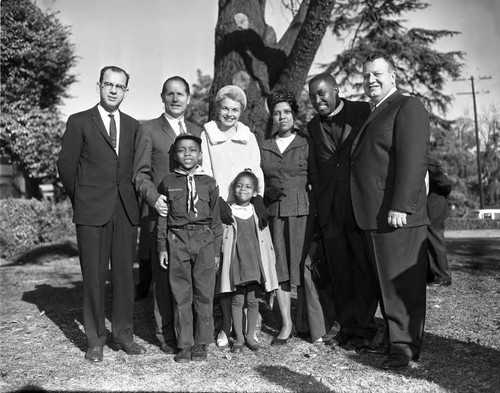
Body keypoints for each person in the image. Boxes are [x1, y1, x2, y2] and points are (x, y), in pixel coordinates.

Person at [57, 66, 146, 362]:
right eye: (108, 84)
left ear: (126, 91)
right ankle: (95, 339)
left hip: (125, 209)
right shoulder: (80, 121)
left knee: (123, 277)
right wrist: (82, 198)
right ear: (98, 85)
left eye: (119, 86)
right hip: (91, 210)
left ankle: (123, 334)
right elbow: (67, 168)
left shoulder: (134, 126)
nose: (113, 90)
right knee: (94, 276)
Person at [351, 50, 430, 369]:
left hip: (397, 215)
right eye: (367, 75)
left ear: (393, 77)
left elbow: (414, 159)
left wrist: (400, 206)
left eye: (377, 74)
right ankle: (393, 338)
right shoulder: (377, 110)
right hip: (374, 214)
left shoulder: (406, 106)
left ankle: (405, 347)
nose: (370, 79)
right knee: (385, 281)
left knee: (401, 283)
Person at [307, 74, 377, 348]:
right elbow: (315, 167)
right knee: (340, 271)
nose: (317, 100)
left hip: (359, 205)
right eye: (313, 96)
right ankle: (347, 326)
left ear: (336, 90)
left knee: (364, 269)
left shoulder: (362, 111)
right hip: (330, 209)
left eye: (322, 93)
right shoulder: (312, 126)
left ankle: (366, 327)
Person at [133, 76, 201, 354]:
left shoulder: (198, 130)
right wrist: (153, 197)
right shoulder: (148, 129)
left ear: (188, 97)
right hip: (161, 215)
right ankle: (165, 334)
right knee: (163, 278)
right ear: (162, 97)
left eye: (180, 94)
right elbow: (140, 173)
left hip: (192, 221)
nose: (175, 99)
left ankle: (190, 332)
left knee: (190, 278)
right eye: (170, 94)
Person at [200, 85, 267, 347]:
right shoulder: (207, 134)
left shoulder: (248, 136)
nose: (230, 114)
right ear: (218, 108)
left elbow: (255, 168)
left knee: (246, 269)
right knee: (225, 271)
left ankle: (252, 325)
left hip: (244, 209)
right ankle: (225, 324)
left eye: (235, 110)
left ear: (242, 112)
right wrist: (217, 200)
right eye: (225, 108)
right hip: (219, 208)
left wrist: (258, 198)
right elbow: (204, 170)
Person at [260, 89, 320, 344]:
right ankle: (287, 325)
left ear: (294, 114)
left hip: (303, 213)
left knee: (304, 269)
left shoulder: (307, 143)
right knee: (280, 269)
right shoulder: (263, 146)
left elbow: (317, 179)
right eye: (277, 113)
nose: (282, 117)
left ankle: (310, 323)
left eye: (286, 112)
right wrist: (264, 192)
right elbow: (254, 179)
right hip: (275, 215)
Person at [156, 133, 222, 363]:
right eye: (182, 150)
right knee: (181, 294)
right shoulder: (168, 182)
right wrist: (162, 247)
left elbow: (216, 221)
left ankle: (202, 342)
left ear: (200, 154)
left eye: (192, 150)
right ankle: (184, 344)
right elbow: (162, 218)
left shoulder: (210, 183)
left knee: (204, 294)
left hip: (204, 239)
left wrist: (216, 252)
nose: (187, 154)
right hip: (177, 240)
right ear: (175, 155)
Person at [216, 171, 279, 353]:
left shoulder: (257, 211)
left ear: (254, 192)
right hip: (236, 263)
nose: (243, 189)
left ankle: (251, 335)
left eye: (248, 186)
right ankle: (239, 338)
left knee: (252, 301)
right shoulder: (227, 211)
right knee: (237, 301)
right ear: (234, 189)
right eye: (239, 185)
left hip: (253, 263)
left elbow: (266, 241)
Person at [427, 153, 453, 286]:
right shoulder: (426, 157)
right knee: (427, 240)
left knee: (435, 239)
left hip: (434, 206)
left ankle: (443, 276)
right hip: (430, 205)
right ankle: (432, 274)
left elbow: (445, 184)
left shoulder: (427, 159)